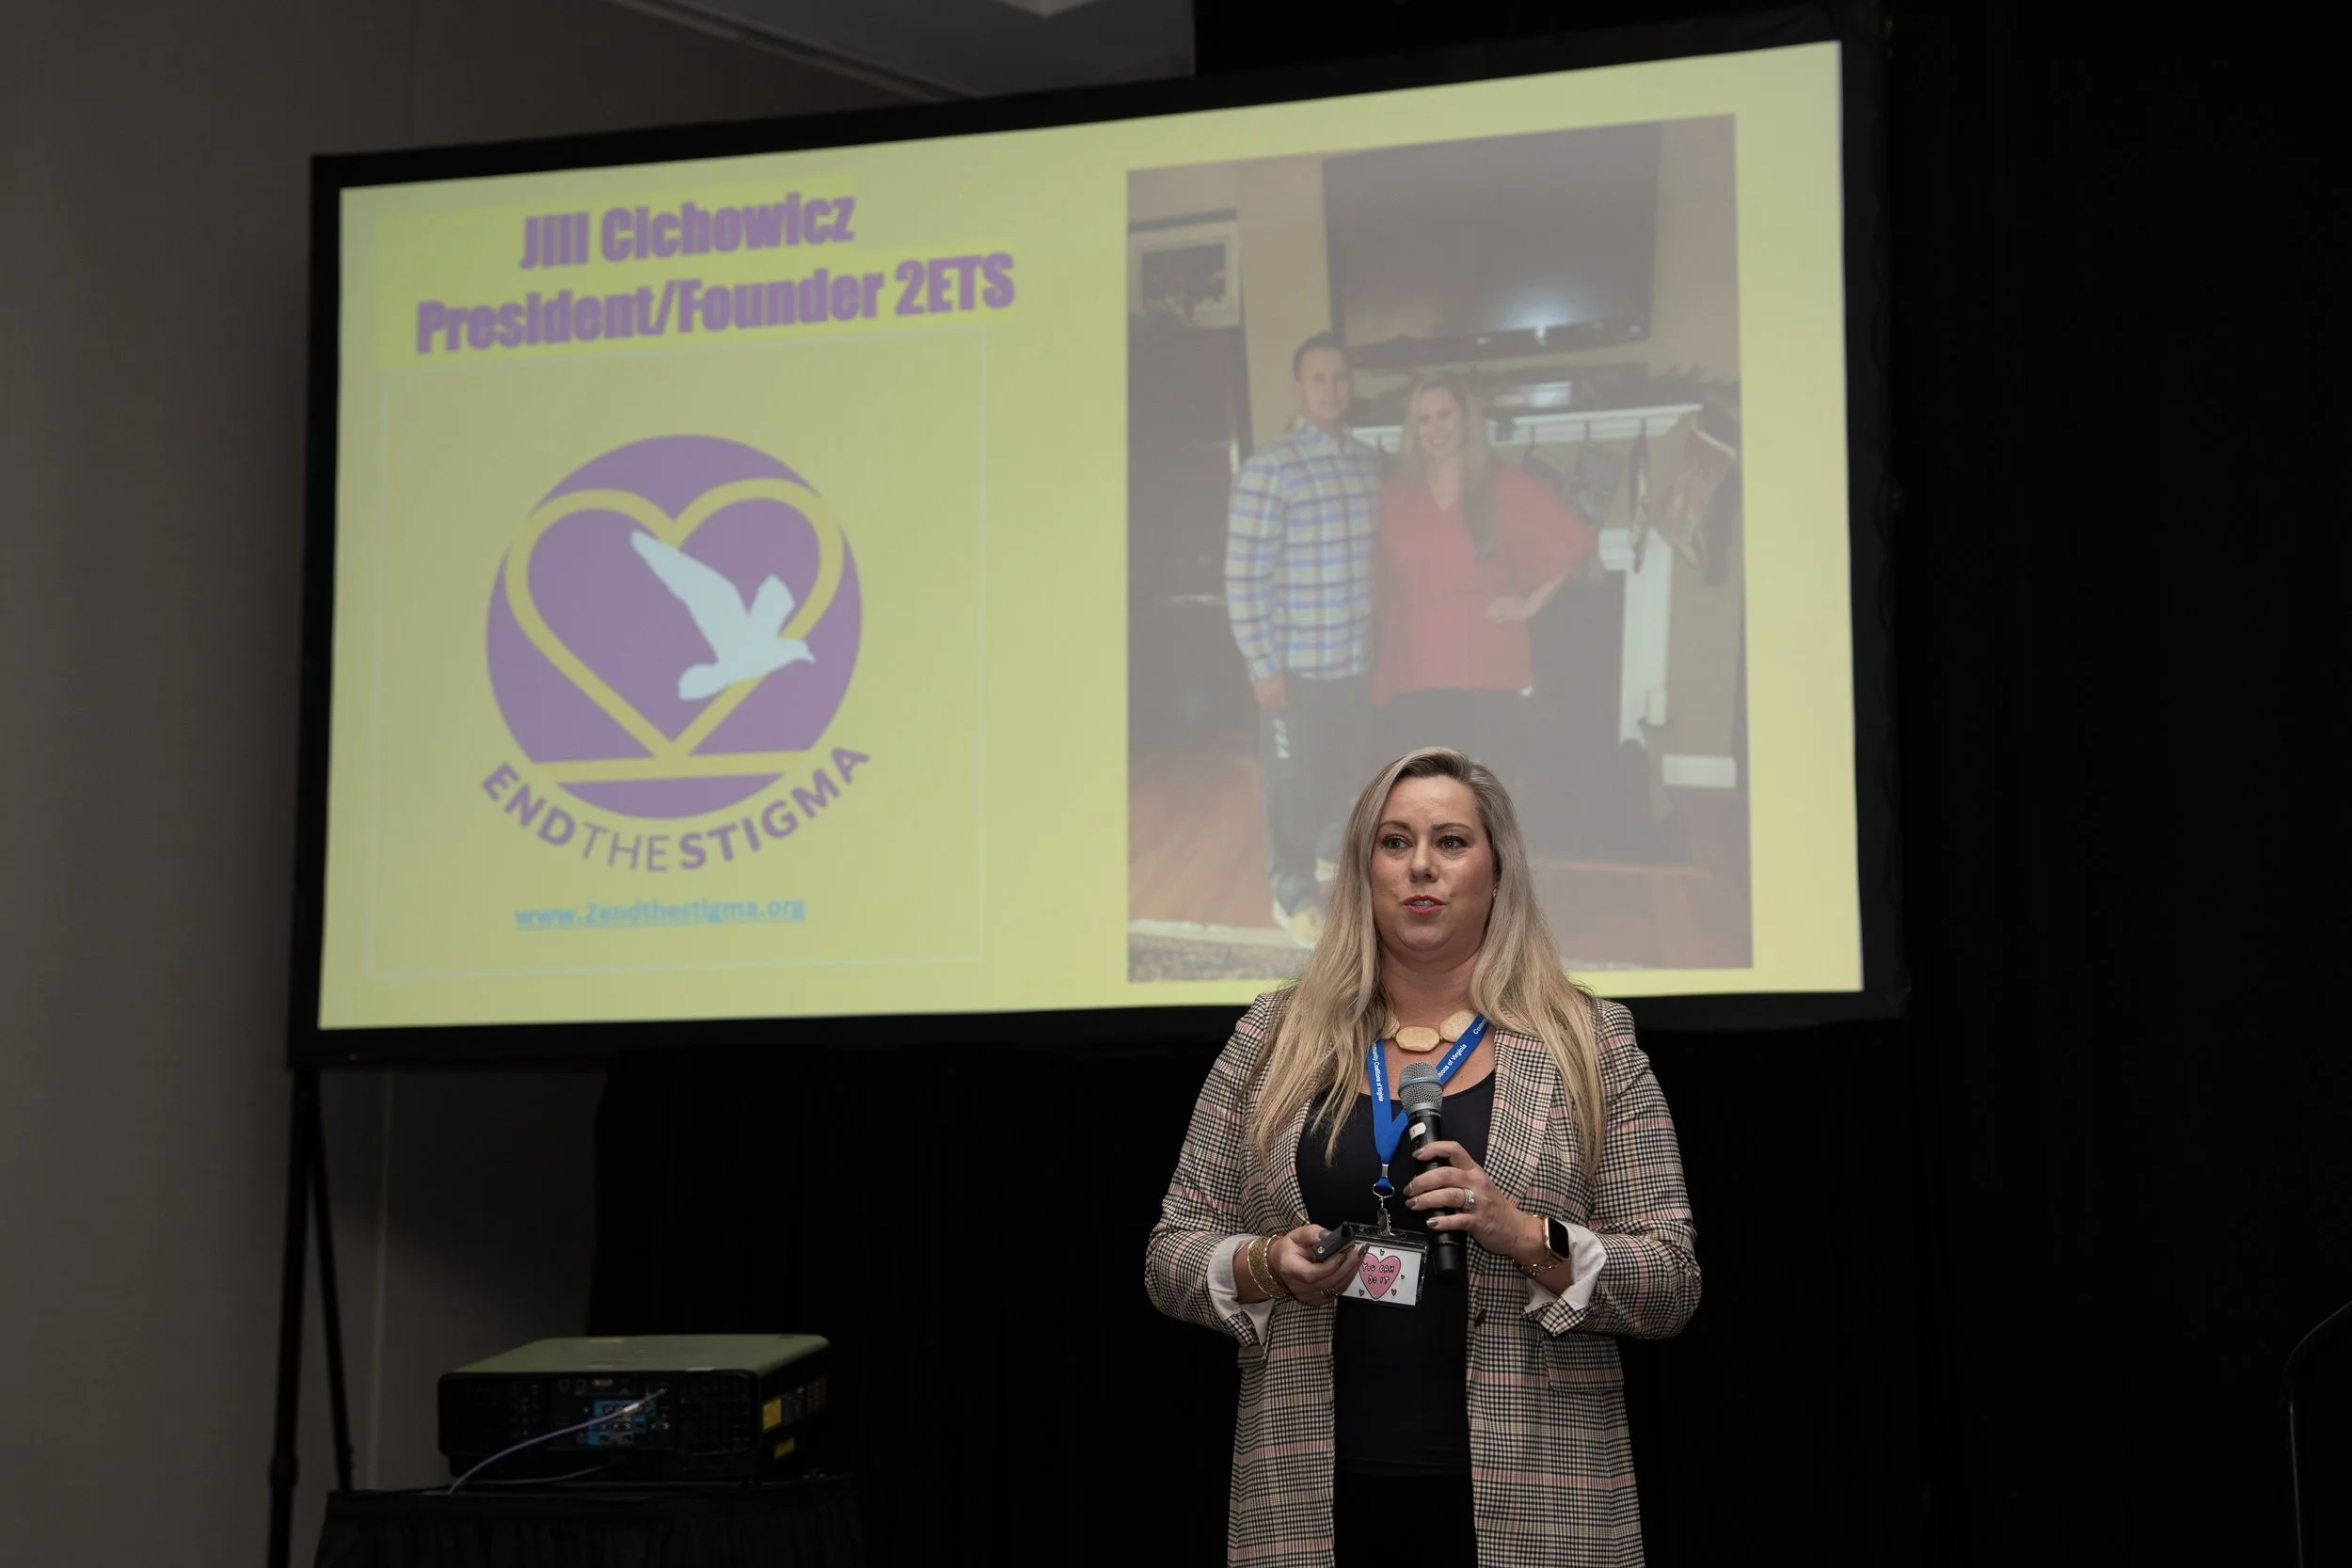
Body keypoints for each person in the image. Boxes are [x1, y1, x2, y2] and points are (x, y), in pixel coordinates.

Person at [1144, 747, 1699, 1566]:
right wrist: (1267, 1263)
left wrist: (1524, 1233)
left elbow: (1671, 1280)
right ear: (1363, 872)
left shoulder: (1589, 1042)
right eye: (1395, 842)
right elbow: (1171, 1252)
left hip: (1539, 1503)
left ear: (1497, 872)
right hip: (1310, 1504)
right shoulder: (1273, 1036)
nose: (1421, 867)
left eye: (1451, 841)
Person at [1225, 332, 1385, 947]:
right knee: (1290, 785)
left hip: (1354, 659)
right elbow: (1243, 575)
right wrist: (1261, 663)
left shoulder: (1369, 462)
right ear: (1298, 389)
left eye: (1340, 377)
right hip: (1294, 665)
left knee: (1341, 774)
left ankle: (1326, 859)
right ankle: (1290, 893)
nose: (1331, 389)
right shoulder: (1271, 468)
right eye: (1318, 378)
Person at [1373, 373, 1595, 794]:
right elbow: (1381, 578)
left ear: (1466, 419)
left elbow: (1569, 538)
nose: (1435, 429)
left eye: (1445, 415)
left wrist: (1530, 604)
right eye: (1423, 419)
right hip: (1418, 658)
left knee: (1483, 785)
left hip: (1485, 657)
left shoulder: (1501, 483)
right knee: (1429, 785)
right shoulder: (1396, 494)